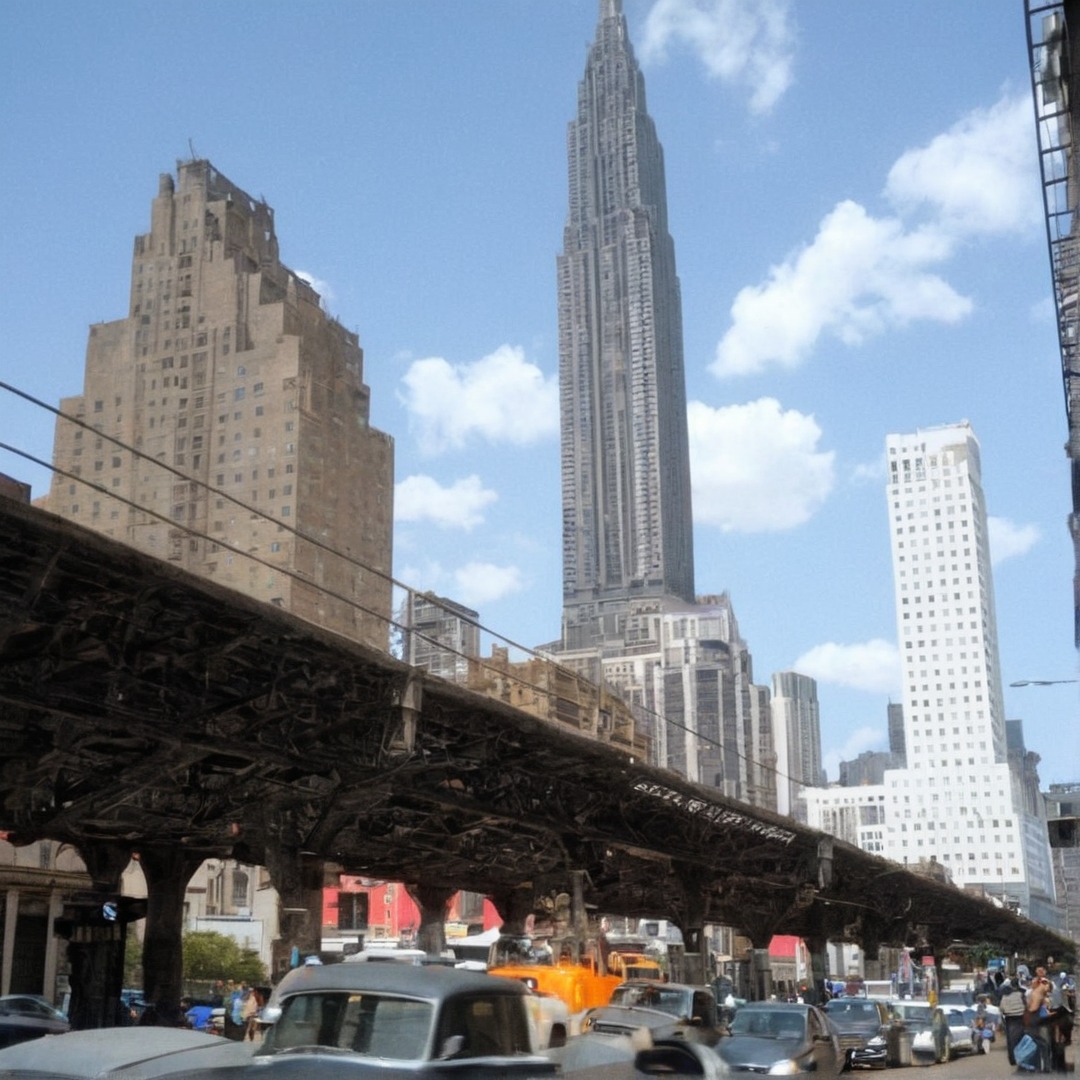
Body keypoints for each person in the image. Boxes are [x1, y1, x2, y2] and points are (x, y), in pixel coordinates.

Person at [999, 977, 1027, 1065]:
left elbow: (1002, 1009)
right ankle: (1022, 1058)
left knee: (1011, 1041)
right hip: (1021, 1018)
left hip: (1010, 1019)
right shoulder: (1021, 994)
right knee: (1022, 1038)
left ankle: (1013, 1059)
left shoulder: (1005, 996)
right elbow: (1026, 1005)